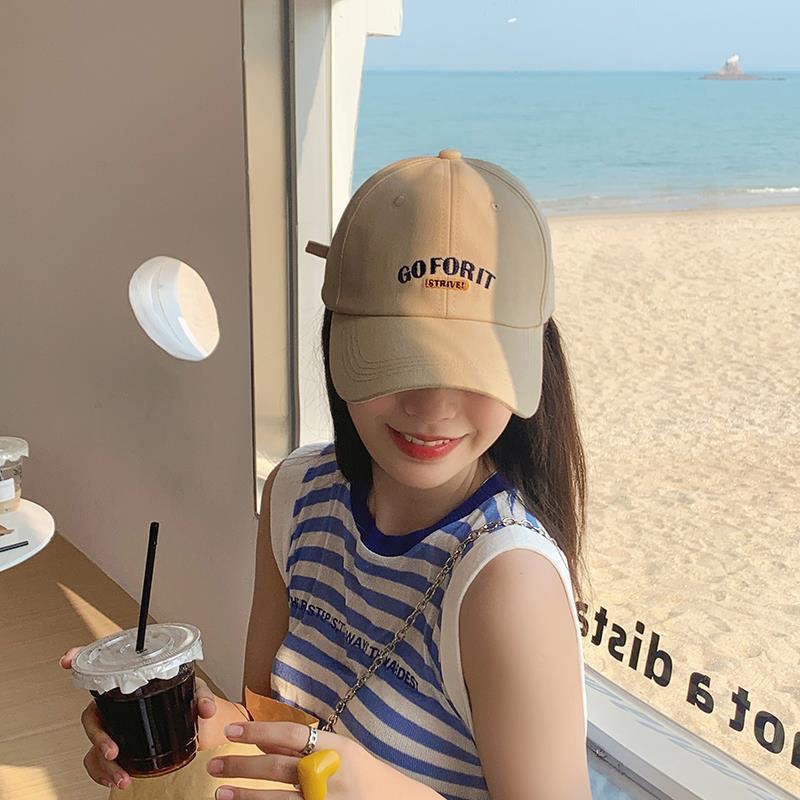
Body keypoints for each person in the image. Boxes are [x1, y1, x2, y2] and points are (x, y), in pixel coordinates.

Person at [60, 148, 593, 799]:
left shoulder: (507, 584)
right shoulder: (296, 494)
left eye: (473, 365)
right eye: (401, 358)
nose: (433, 409)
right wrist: (188, 724)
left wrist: (366, 788)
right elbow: (269, 723)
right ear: (337, 338)